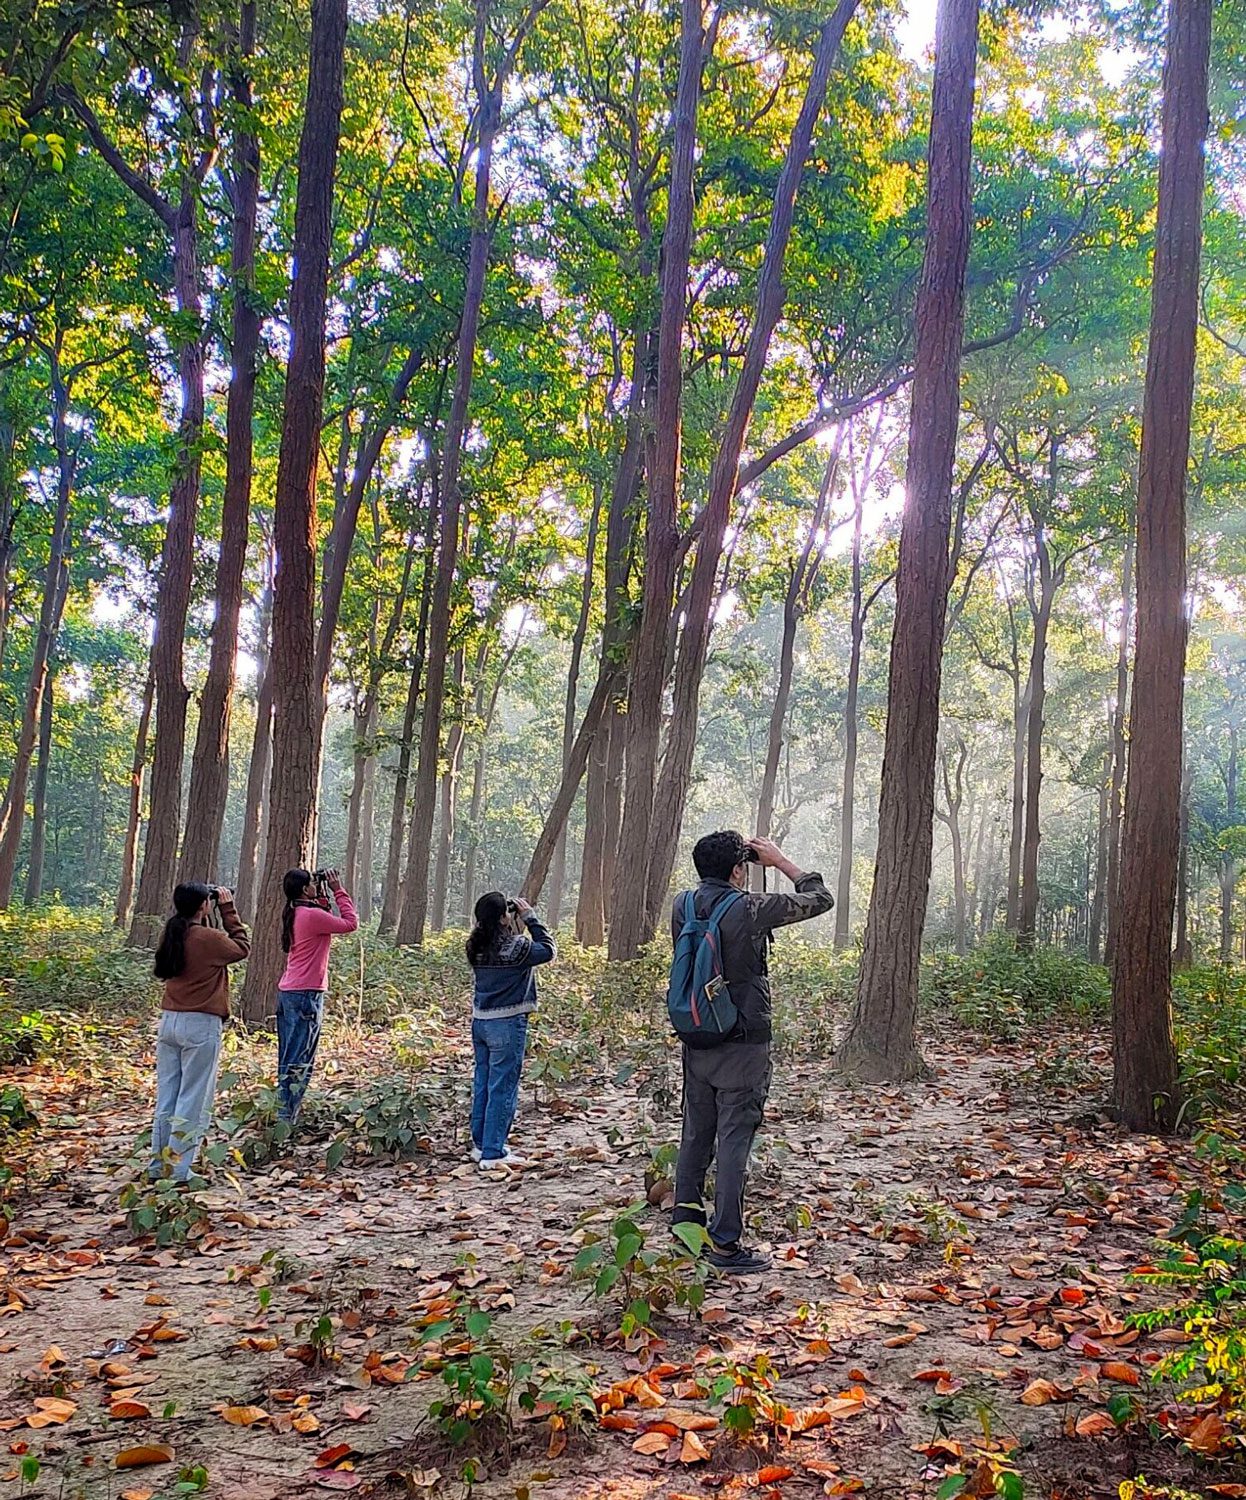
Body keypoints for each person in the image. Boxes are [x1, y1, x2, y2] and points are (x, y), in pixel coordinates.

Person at [671, 832, 833, 1274]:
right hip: (744, 1043)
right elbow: (820, 898)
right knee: (734, 1142)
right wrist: (781, 861)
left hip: (697, 1035)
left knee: (695, 1135)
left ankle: (685, 1231)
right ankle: (725, 1245)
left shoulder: (682, 905)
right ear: (739, 869)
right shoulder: (750, 907)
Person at [151, 884, 250, 1181]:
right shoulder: (209, 938)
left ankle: (158, 1166)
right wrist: (228, 909)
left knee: (167, 1097)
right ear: (204, 907)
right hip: (200, 1024)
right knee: (193, 1098)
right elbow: (242, 947)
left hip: (169, 1021)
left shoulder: (173, 933)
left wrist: (208, 909)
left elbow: (204, 941)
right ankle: (180, 1171)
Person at [466, 891, 556, 1174]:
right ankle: (494, 1152)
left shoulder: (475, 945)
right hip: (506, 1023)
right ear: (505, 917)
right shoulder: (516, 947)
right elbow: (548, 949)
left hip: (480, 1021)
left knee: (483, 1083)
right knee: (503, 1087)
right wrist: (530, 917)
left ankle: (480, 1144)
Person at [276, 868, 358, 1123]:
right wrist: (337, 889)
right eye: (312, 883)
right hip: (306, 994)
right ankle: (286, 1119)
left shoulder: (296, 913)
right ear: (304, 890)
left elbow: (326, 918)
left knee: (288, 1057)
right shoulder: (311, 916)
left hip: (288, 992)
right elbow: (350, 923)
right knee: (301, 1059)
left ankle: (283, 1113)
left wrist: (322, 896)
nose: (315, 886)